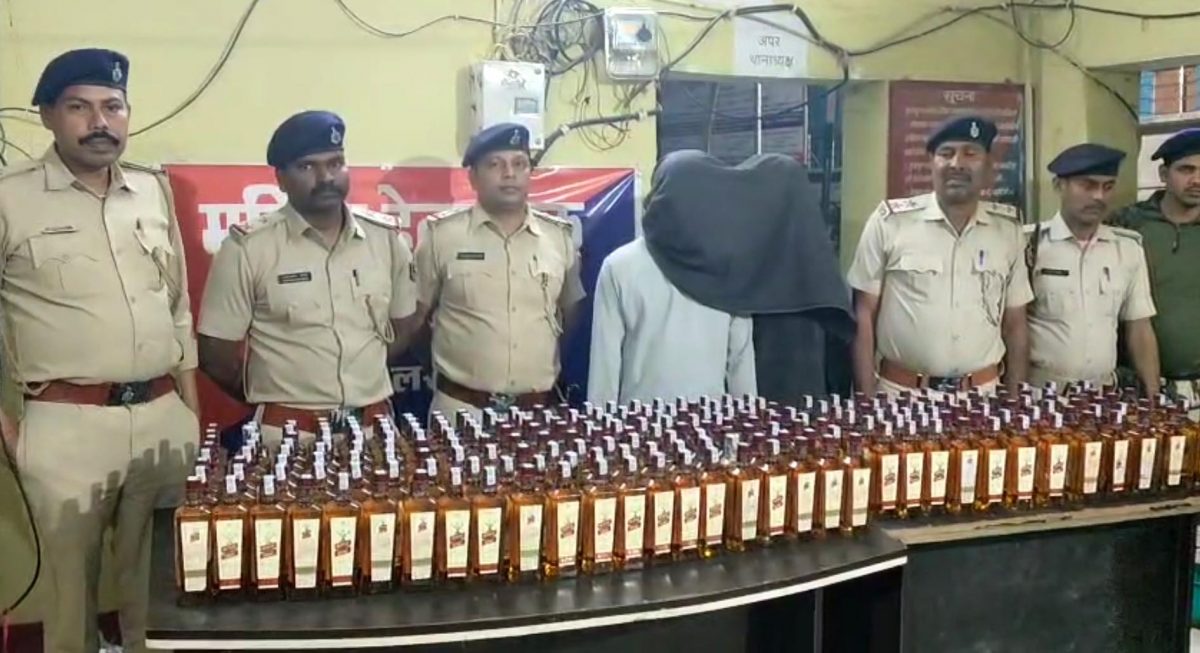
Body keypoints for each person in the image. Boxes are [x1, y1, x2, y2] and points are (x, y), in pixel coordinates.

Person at [0, 48, 200, 653]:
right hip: (66, 427)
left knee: (165, 595)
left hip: (163, 419)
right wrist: (9, 429)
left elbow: (177, 305)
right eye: (79, 108)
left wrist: (190, 412)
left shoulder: (151, 190)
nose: (99, 123)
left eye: (113, 107)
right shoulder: (10, 198)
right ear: (47, 116)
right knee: (71, 603)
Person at [197, 111, 418, 445]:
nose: (326, 177)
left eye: (335, 163)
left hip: (373, 432)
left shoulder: (385, 239)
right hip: (288, 437)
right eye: (307, 167)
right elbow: (216, 354)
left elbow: (403, 328)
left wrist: (362, 374)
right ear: (281, 179)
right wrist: (274, 399)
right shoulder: (249, 248)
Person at [847, 115, 1033, 397]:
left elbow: (1015, 324)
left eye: (970, 154)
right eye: (946, 153)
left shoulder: (1007, 231)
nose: (957, 163)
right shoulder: (890, 223)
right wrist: (866, 401)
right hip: (902, 397)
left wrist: (1015, 400)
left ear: (988, 166)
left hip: (983, 397)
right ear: (931, 163)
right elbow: (863, 314)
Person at [412, 123, 585, 421]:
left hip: (537, 415)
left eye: (520, 164)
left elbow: (570, 315)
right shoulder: (441, 236)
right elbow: (415, 320)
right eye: (495, 164)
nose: (509, 174)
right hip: (462, 411)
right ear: (473, 177)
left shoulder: (559, 237)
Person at [1025, 144, 1159, 393]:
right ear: (1059, 186)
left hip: (1103, 397)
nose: (1099, 196)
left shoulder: (1126, 249)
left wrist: (1153, 400)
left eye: (1108, 186)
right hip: (1040, 396)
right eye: (1087, 185)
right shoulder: (1028, 245)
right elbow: (1010, 327)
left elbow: (1140, 329)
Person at [587, 237, 757, 405]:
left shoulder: (619, 266)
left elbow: (603, 379)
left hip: (644, 418)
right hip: (700, 419)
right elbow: (742, 373)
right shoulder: (729, 270)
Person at [1110, 129, 1200, 411]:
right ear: (1163, 174)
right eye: (1186, 170)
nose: (1197, 180)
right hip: (1136, 388)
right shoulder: (1127, 224)